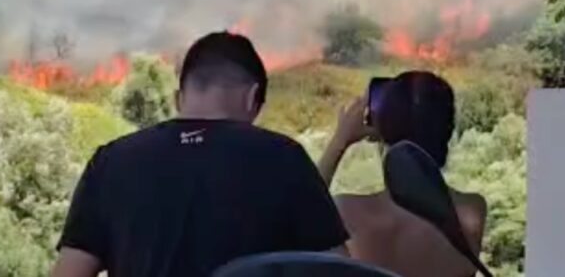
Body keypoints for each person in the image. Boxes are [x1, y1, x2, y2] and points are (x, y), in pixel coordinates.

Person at [51, 31, 350, 277]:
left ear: (178, 98)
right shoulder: (285, 158)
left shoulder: (111, 162)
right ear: (251, 98)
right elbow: (339, 270)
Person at [317, 71, 487, 277]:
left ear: (380, 129)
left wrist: (340, 141)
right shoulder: (472, 211)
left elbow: (295, 224)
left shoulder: (347, 211)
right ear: (446, 130)